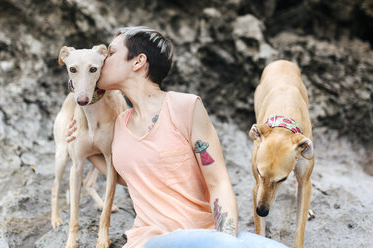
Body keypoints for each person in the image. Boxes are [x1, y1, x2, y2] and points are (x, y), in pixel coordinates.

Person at [66, 26, 287, 248]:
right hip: (153, 240)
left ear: (138, 62)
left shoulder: (186, 106)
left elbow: (218, 181)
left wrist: (225, 238)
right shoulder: (119, 124)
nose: (103, 60)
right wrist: (80, 144)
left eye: (111, 53)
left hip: (208, 236)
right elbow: (131, 178)